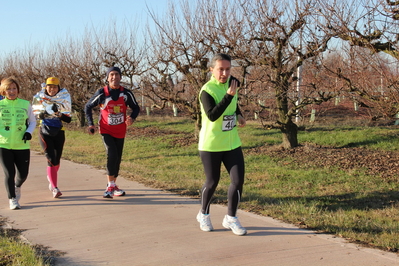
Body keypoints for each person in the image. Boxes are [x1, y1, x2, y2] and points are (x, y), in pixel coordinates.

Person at [196, 53, 247, 236]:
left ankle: (231, 218)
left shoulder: (233, 83)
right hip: (211, 144)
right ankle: (203, 214)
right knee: (212, 182)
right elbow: (212, 115)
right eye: (220, 69)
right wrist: (228, 95)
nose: (224, 73)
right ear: (212, 70)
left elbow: (234, 102)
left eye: (227, 69)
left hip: (232, 141)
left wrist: (238, 114)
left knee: (238, 180)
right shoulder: (206, 91)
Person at [85, 66, 140, 198]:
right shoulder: (102, 93)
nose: (114, 77)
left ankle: (114, 185)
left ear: (121, 77)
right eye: (112, 75)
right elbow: (87, 106)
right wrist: (91, 124)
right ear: (108, 78)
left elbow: (136, 107)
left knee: (118, 158)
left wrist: (132, 118)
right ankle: (110, 185)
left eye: (117, 75)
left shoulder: (126, 93)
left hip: (120, 130)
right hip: (106, 129)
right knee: (112, 154)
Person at [32, 77, 72, 198]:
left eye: (55, 87)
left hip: (59, 132)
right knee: (50, 158)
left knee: (57, 160)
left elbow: (68, 119)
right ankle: (55, 188)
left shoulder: (64, 98)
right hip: (44, 131)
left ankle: (51, 178)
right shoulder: (39, 98)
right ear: (46, 87)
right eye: (50, 87)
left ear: (58, 88)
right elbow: (35, 115)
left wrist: (59, 114)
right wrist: (42, 114)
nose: (52, 89)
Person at [0, 77, 36, 209]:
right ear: (4, 91)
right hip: (4, 145)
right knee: (9, 173)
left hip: (22, 145)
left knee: (23, 174)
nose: (12, 91)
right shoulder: (0, 105)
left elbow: (32, 121)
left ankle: (17, 186)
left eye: (14, 88)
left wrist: (29, 132)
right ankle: (12, 199)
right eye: (8, 89)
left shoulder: (25, 104)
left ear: (18, 90)